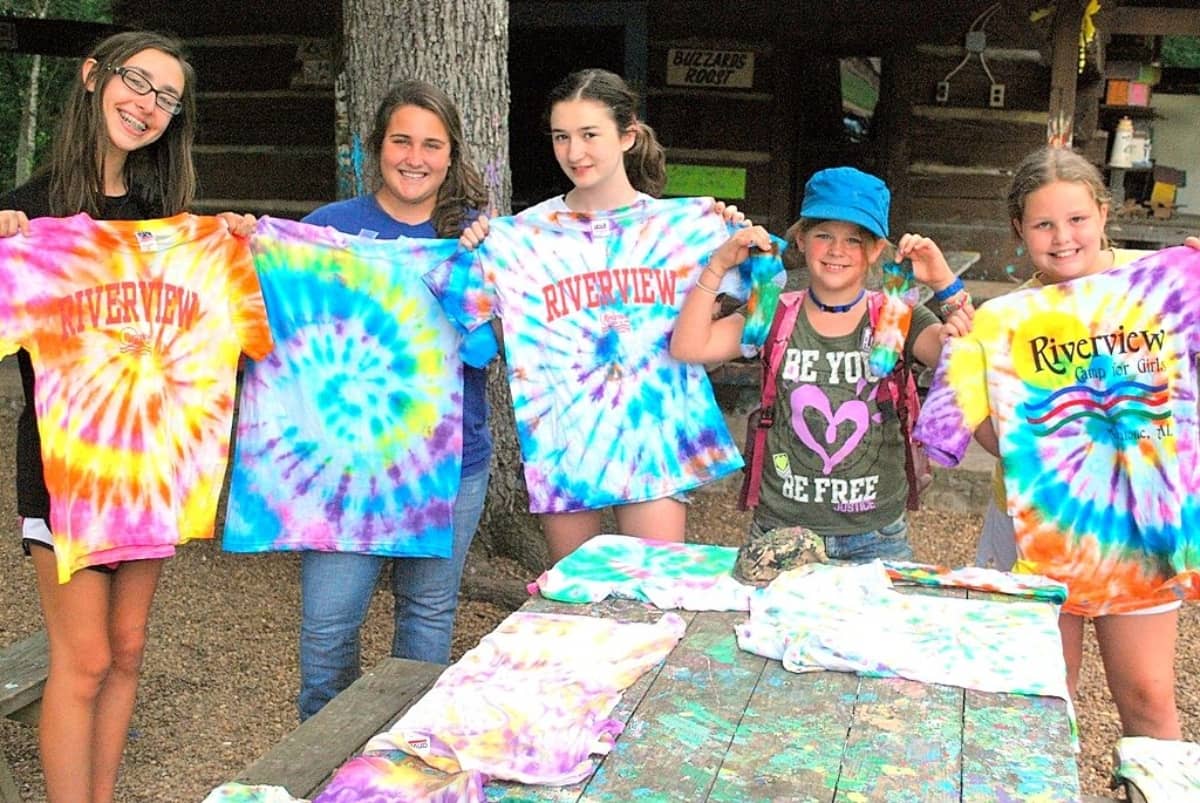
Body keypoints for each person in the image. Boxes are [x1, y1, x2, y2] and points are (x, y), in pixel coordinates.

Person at [0, 31, 263, 802]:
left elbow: (221, 331)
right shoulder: (26, 213)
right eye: (137, 83)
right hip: (62, 468)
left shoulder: (166, 218)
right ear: (92, 77)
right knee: (80, 659)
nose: (147, 105)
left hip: (152, 466)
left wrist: (233, 246)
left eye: (166, 97)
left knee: (127, 649)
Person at [915, 145, 1200, 741]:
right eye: (1044, 223)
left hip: (1142, 526)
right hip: (1032, 527)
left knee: (1149, 700)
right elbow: (990, 437)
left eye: (1076, 219)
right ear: (1020, 229)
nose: (1063, 237)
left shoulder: (1168, 290)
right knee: (1035, 703)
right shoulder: (998, 322)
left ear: (1103, 213)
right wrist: (966, 361)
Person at [455, 68, 764, 565]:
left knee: (657, 597)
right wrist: (475, 254)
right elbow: (478, 339)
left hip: (654, 438)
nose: (574, 153)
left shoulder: (685, 230)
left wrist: (741, 241)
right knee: (577, 608)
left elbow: (760, 305)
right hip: (563, 439)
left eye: (589, 134)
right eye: (562, 137)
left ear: (628, 135)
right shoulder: (522, 238)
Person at [285, 80, 494, 720]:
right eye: (401, 140)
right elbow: (278, 331)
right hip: (345, 465)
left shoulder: (478, 240)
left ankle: (402, 768)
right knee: (326, 631)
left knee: (428, 620)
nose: (415, 156)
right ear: (375, 147)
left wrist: (477, 274)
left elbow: (486, 352)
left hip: (452, 464)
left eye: (433, 145)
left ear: (452, 156)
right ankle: (323, 759)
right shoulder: (326, 230)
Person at [670, 166, 971, 564]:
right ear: (801, 238)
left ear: (876, 250)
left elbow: (972, 359)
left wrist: (944, 281)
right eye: (823, 235)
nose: (836, 250)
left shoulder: (897, 316)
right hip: (780, 527)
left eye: (854, 240)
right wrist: (718, 265)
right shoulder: (771, 311)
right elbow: (690, 346)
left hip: (875, 535)